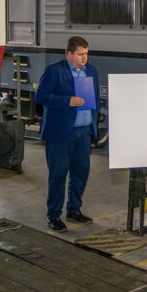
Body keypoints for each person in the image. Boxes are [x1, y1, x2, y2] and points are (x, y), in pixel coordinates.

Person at [35, 36, 99, 231]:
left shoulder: (91, 71)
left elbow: (95, 97)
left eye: (86, 54)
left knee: (80, 173)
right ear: (69, 54)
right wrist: (66, 101)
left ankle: (74, 210)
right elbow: (41, 96)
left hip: (83, 132)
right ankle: (54, 215)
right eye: (80, 54)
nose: (84, 58)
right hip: (61, 133)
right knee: (58, 175)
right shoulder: (54, 71)